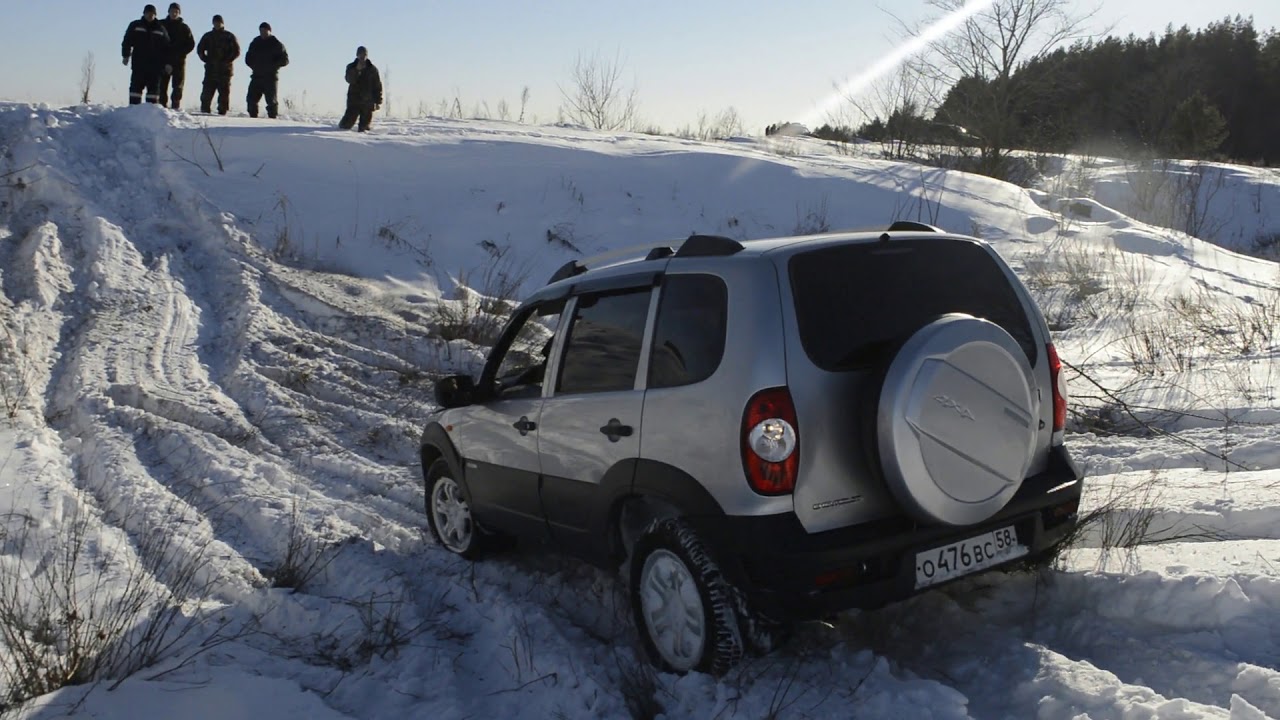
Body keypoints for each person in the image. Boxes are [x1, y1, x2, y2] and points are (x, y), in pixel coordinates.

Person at [121, 4, 170, 105]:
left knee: (153, 91)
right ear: (144, 13)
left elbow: (167, 48)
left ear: (155, 15)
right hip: (139, 63)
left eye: (152, 14)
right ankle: (133, 110)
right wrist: (126, 55)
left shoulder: (161, 28)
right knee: (135, 88)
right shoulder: (135, 25)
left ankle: (150, 114)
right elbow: (127, 41)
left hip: (155, 66)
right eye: (148, 13)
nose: (150, 15)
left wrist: (167, 63)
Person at [197, 14, 240, 115]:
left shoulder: (229, 36)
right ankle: (204, 111)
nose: (217, 24)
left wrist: (227, 61)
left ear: (222, 23)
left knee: (224, 93)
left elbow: (236, 51)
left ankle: (222, 112)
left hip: (225, 70)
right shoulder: (208, 36)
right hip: (211, 69)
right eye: (215, 22)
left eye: (219, 22)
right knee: (207, 92)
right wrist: (206, 59)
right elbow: (200, 49)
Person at [244, 22, 289, 119]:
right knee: (251, 99)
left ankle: (272, 120)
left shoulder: (276, 44)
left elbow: (285, 60)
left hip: (270, 77)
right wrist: (254, 66)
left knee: (271, 101)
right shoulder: (255, 43)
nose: (263, 32)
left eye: (265, 30)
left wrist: (273, 65)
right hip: (257, 76)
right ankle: (253, 118)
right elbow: (248, 58)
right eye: (261, 31)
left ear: (269, 31)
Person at [158, 3, 195, 110]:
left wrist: (181, 53)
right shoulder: (161, 25)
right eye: (172, 11)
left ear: (179, 13)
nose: (174, 14)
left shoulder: (184, 28)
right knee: (162, 86)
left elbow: (191, 44)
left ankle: (175, 107)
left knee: (178, 86)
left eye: (176, 12)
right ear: (168, 11)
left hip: (179, 61)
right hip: (163, 60)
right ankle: (161, 108)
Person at [339, 46, 383, 133]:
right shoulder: (351, 67)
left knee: (364, 129)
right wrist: (357, 70)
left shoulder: (372, 69)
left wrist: (378, 101)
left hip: (368, 103)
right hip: (354, 101)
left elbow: (377, 86)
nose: (362, 57)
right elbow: (349, 80)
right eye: (360, 54)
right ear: (357, 55)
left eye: (364, 55)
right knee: (345, 125)